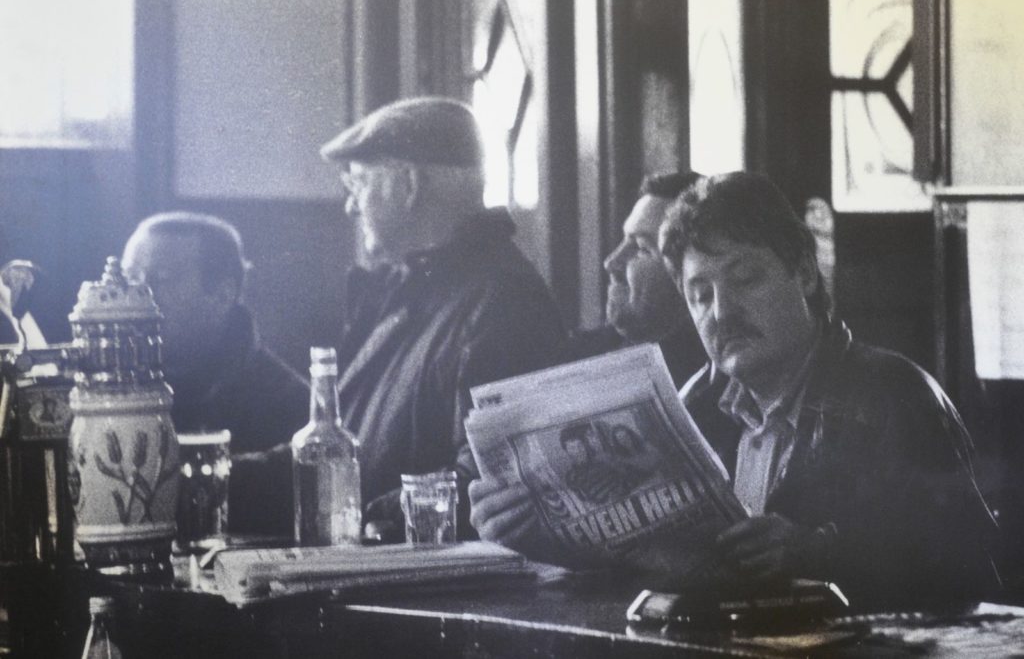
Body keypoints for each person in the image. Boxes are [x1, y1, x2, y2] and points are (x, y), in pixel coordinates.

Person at [472, 171, 1000, 609]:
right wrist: (545, 538)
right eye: (700, 294)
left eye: (746, 280)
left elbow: (971, 573)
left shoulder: (893, 394)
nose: (722, 313)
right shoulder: (694, 407)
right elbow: (652, 565)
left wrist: (818, 553)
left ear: (805, 276)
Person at [320, 96, 566, 539]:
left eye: (357, 184)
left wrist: (359, 516)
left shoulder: (501, 300)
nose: (351, 207)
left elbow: (488, 477)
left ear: (409, 185)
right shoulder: (409, 288)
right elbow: (335, 446)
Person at [122, 212, 309, 536]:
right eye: (130, 278)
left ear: (223, 293)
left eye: (161, 278)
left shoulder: (289, 404)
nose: (135, 295)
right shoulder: (102, 391)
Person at [571, 172, 706, 387]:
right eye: (625, 239)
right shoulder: (574, 360)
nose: (611, 262)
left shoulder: (709, 391)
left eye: (642, 248)